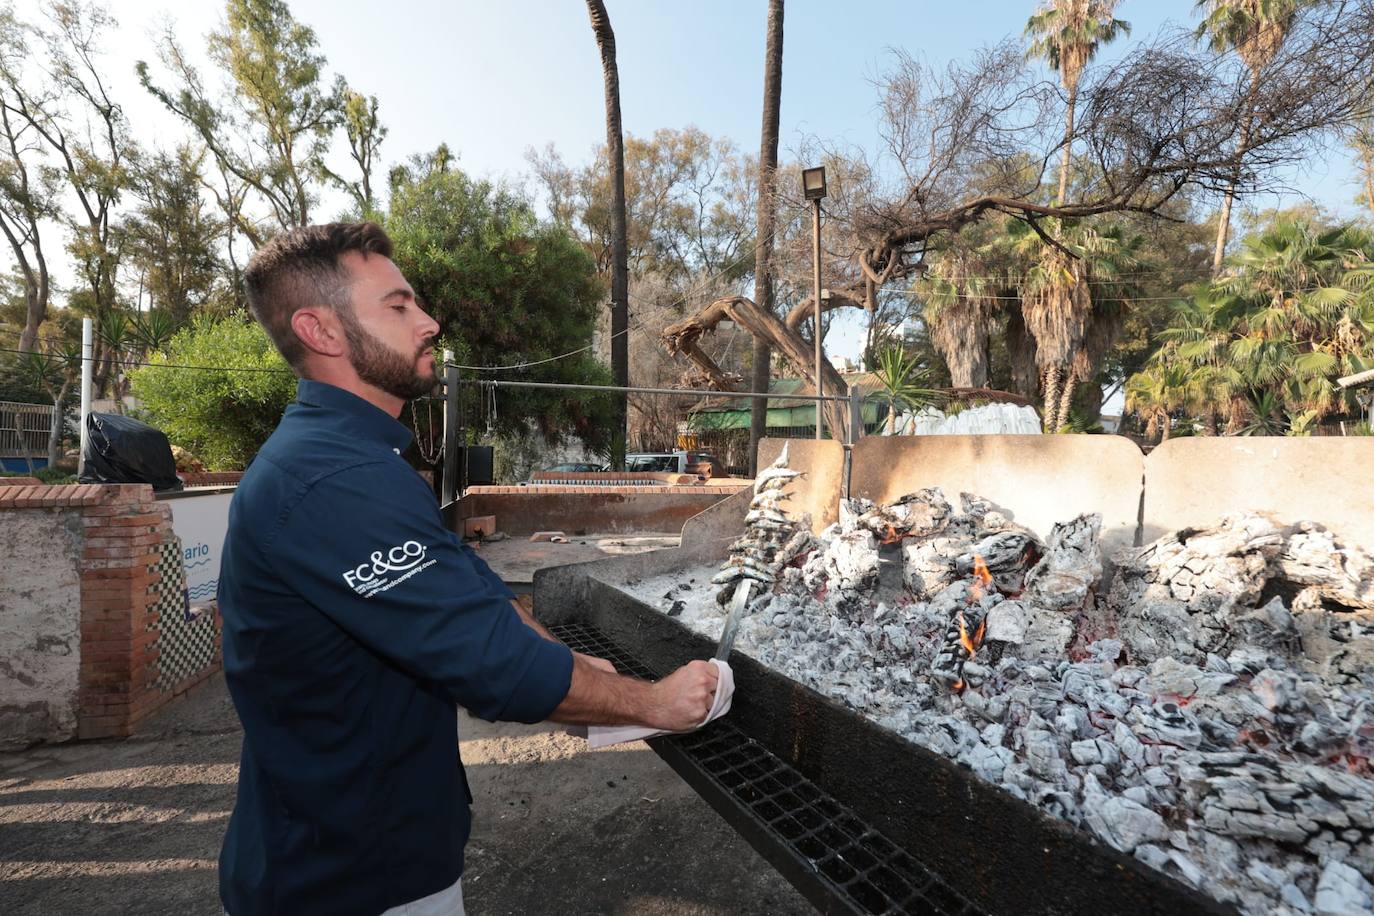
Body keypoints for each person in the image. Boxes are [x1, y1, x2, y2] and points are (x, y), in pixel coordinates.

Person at [218, 222, 719, 916]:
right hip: (349, 878)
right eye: (397, 306)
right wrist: (655, 704)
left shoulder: (357, 462)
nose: (428, 321)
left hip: (361, 850)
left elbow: (468, 594)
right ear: (321, 330)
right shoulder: (331, 480)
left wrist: (570, 661)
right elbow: (491, 664)